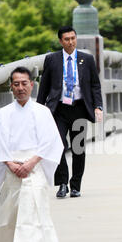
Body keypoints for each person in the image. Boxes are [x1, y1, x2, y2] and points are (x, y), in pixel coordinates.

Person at [0, 67, 64, 242]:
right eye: (16, 84)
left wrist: (32, 162)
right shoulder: (4, 114)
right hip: (13, 167)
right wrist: (9, 163)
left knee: (32, 210)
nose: (20, 88)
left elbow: (51, 141)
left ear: (31, 85)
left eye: (24, 83)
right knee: (15, 213)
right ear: (11, 87)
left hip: (34, 168)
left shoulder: (42, 112)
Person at [37, 26, 103, 199]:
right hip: (58, 109)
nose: (71, 42)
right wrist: (38, 110)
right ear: (60, 41)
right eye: (67, 39)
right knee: (57, 146)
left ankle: (76, 185)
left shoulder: (87, 59)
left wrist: (98, 106)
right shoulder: (52, 59)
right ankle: (63, 183)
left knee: (78, 149)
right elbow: (44, 86)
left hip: (80, 108)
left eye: (73, 38)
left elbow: (95, 85)